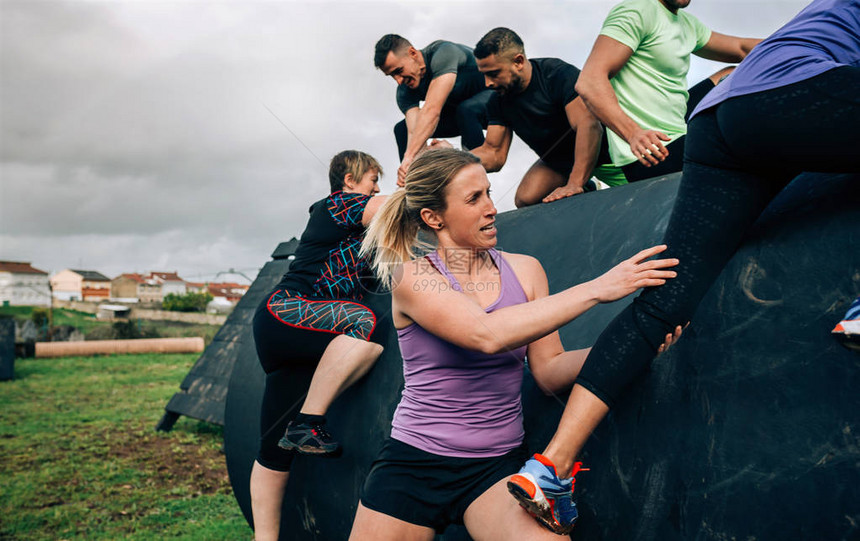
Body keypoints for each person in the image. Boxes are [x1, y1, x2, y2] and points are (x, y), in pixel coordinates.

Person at [509, 0, 860, 534]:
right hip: (785, 100)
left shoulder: (815, 16)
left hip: (721, 121)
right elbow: (592, 80)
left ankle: (550, 467)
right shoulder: (636, 13)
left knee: (665, 298)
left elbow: (748, 49)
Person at [348, 148, 682, 539]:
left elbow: (549, 371)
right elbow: (486, 335)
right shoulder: (413, 278)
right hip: (415, 465)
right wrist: (598, 288)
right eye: (474, 199)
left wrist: (630, 347)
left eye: (488, 192)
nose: (491, 208)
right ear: (432, 217)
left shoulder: (525, 270)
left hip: (493, 467)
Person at [250, 150, 389, 541]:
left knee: (272, 450)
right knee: (364, 323)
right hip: (288, 312)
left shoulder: (357, 235)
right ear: (349, 181)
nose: (376, 187)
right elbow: (395, 207)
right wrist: (421, 171)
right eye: (371, 180)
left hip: (293, 339)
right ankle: (310, 423)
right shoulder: (336, 206)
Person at [575, 0, 761, 182]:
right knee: (751, 145)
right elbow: (590, 81)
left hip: (680, 133)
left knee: (734, 73)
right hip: (652, 152)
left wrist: (788, 43)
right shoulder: (637, 11)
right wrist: (633, 134)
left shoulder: (687, 24)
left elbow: (741, 49)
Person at [471, 27, 627, 208]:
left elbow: (589, 126)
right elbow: (493, 153)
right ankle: (588, 188)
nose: (487, 83)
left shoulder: (556, 74)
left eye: (494, 73)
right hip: (560, 162)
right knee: (526, 199)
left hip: (606, 155)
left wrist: (575, 184)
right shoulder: (497, 100)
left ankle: (581, 183)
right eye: (484, 74)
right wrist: (447, 160)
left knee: (647, 186)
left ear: (518, 61)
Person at [374, 34, 494, 185]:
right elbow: (414, 132)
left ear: (412, 53)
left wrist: (410, 156)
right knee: (402, 130)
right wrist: (409, 166)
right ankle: (420, 191)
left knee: (465, 109)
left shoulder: (443, 53)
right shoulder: (404, 90)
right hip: (459, 116)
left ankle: (476, 176)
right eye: (392, 75)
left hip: (494, 100)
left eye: (399, 70)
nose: (398, 80)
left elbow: (432, 110)